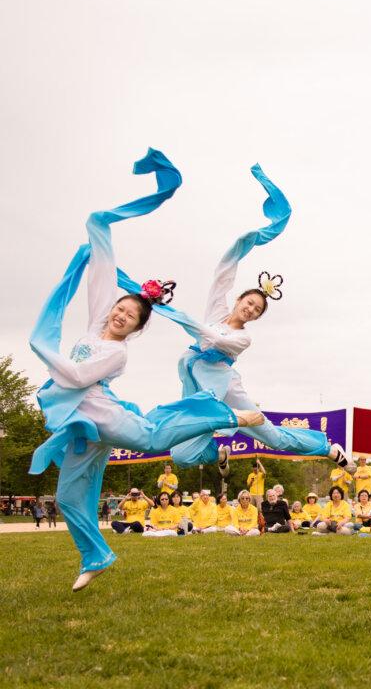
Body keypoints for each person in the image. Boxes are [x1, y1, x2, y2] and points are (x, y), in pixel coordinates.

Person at [25, 152, 266, 591]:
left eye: (131, 315)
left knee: (152, 438)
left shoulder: (117, 356)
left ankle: (228, 417)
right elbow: (101, 278)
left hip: (103, 415)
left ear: (137, 328)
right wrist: (99, 233)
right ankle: (96, 554)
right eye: (120, 307)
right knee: (65, 497)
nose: (121, 315)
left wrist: (42, 350)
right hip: (83, 426)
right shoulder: (98, 326)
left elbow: (77, 379)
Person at [165, 165, 349, 478]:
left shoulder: (241, 338)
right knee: (179, 452)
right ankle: (217, 450)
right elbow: (223, 274)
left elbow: (213, 339)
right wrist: (243, 244)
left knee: (274, 437)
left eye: (257, 310)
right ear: (239, 300)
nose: (250, 310)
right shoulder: (215, 311)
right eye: (249, 303)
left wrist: (179, 317)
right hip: (198, 385)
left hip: (225, 389)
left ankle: (328, 449)